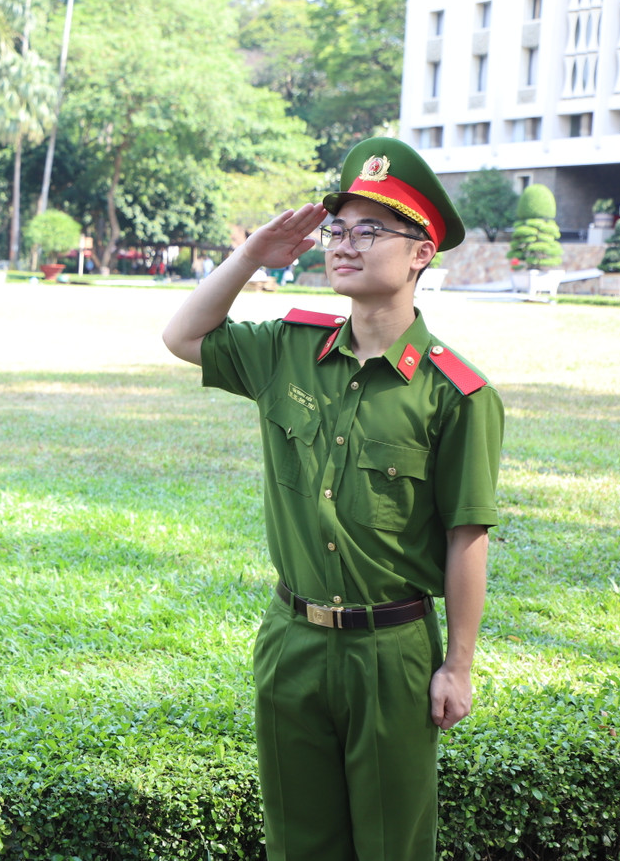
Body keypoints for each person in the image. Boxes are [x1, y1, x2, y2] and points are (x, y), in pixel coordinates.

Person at [162, 137, 503, 861]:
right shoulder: (288, 346)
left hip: (392, 652)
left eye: (370, 230)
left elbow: (465, 538)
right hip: (292, 640)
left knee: (392, 848)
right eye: (337, 229)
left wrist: (459, 664)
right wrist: (251, 255)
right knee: (298, 846)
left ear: (420, 253)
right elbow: (183, 335)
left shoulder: (457, 395)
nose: (344, 245)